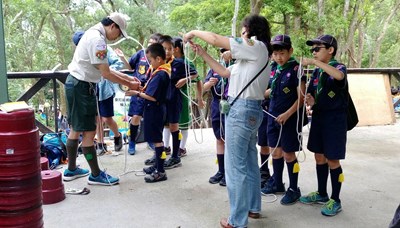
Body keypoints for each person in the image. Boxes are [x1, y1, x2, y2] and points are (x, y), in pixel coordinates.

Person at [184, 14, 272, 228]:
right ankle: (253, 208)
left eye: (243, 30)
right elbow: (223, 71)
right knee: (249, 163)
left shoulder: (256, 46)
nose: (240, 35)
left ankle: (237, 220)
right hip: (249, 111)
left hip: (241, 111)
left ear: (250, 31)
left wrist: (193, 33)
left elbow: (215, 38)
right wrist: (202, 53)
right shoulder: (251, 58)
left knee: (235, 167)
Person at [63, 12, 140, 186]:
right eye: (119, 33)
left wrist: (129, 79)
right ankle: (96, 175)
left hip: (75, 83)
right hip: (82, 87)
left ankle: (72, 169)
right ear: (112, 26)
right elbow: (105, 73)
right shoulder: (98, 40)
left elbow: (105, 68)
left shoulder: (93, 34)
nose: (118, 37)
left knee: (76, 128)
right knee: (90, 132)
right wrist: (131, 85)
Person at [299, 34, 347, 216]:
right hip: (319, 118)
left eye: (317, 49)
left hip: (335, 120)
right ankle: (321, 193)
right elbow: (312, 95)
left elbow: (339, 77)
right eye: (313, 50)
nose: (314, 52)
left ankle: (336, 199)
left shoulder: (338, 67)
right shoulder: (317, 73)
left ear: (330, 50)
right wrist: (310, 100)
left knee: (332, 158)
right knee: (319, 156)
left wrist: (314, 62)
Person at [260, 35, 306, 206]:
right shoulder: (274, 68)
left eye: (282, 53)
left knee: (288, 153)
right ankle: (277, 183)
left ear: (290, 51)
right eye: (275, 53)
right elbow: (271, 91)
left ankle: (294, 189)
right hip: (272, 116)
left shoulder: (296, 69)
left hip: (289, 119)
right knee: (275, 151)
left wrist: (287, 114)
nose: (278, 57)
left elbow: (301, 98)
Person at [72, 30, 125, 156]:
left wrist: (106, 71)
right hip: (92, 88)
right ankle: (101, 144)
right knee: (97, 119)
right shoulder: (82, 53)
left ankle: (118, 136)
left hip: (105, 88)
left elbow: (118, 63)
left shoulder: (102, 47)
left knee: (107, 117)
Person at [125, 43, 171, 182]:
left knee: (157, 141)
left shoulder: (161, 74)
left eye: (150, 60)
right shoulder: (159, 71)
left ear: (158, 59)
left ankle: (161, 171)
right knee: (156, 138)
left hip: (155, 109)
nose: (149, 63)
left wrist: (136, 93)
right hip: (154, 109)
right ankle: (157, 165)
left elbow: (152, 96)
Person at [115, 33, 163, 155]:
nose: (150, 45)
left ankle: (151, 140)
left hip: (151, 90)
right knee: (136, 117)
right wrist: (122, 57)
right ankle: (132, 141)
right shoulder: (141, 54)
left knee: (149, 118)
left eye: (153, 43)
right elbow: (130, 67)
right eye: (149, 43)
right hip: (138, 89)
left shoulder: (159, 58)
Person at [158, 35, 198, 170]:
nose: (168, 51)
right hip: (162, 101)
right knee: (164, 126)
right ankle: (161, 153)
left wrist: (185, 79)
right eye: (164, 49)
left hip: (176, 99)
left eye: (170, 48)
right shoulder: (160, 64)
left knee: (177, 126)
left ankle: (176, 154)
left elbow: (195, 74)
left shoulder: (180, 63)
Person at [203, 48, 231, 187]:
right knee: (219, 138)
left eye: (227, 50)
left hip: (230, 105)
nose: (224, 53)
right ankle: (221, 170)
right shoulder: (214, 68)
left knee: (229, 139)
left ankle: (229, 173)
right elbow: (204, 87)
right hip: (216, 104)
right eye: (222, 51)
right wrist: (210, 83)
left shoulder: (237, 67)